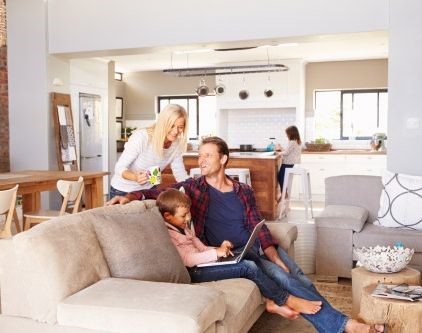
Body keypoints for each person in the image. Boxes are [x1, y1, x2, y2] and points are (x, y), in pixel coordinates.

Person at [108, 136, 386, 333]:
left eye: (207, 155)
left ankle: (340, 325)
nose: (200, 159)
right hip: (228, 253)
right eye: (200, 154)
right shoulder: (194, 188)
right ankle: (346, 326)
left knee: (296, 274)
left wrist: (274, 254)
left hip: (250, 246)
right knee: (282, 278)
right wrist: (131, 195)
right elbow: (161, 192)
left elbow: (258, 226)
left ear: (223, 159)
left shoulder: (244, 191)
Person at [156, 188, 322, 319]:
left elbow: (200, 248)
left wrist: (218, 249)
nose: (188, 218)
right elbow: (187, 259)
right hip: (195, 271)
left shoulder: (183, 227)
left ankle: (269, 299)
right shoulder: (169, 234)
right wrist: (216, 254)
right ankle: (284, 299)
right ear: (168, 216)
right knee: (247, 267)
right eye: (184, 215)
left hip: (204, 263)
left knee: (247, 253)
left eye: (188, 213)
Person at [109, 104, 190, 199]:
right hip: (124, 190)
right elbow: (119, 168)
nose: (176, 131)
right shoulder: (142, 137)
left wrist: (194, 186)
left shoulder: (176, 144)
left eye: (180, 127)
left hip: (150, 190)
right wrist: (135, 177)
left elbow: (180, 173)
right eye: (171, 126)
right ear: (163, 123)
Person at [275, 125, 302, 202]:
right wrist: (281, 149)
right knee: (282, 176)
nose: (286, 135)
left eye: (287, 133)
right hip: (290, 162)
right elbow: (288, 151)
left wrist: (278, 153)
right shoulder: (295, 141)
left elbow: (286, 153)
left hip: (288, 162)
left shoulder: (292, 142)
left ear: (291, 133)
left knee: (280, 177)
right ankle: (285, 192)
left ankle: (284, 193)